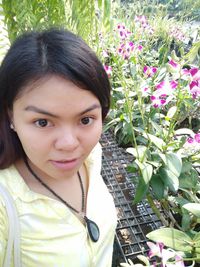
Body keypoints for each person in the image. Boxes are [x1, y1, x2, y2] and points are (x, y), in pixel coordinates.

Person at [0, 28, 117, 267]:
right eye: (42, 122)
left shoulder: (92, 157)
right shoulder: (5, 205)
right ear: (11, 116)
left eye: (85, 120)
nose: (69, 144)